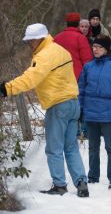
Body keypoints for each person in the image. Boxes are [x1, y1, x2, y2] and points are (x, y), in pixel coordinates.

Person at [0, 23, 89, 197]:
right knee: (71, 147)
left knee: (54, 148)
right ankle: (81, 183)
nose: (29, 44)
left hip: (58, 106)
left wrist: (6, 89)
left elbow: (30, 79)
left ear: (39, 38)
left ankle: (59, 185)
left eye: (30, 41)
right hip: (73, 103)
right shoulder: (61, 50)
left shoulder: (44, 56)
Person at [78, 35, 111, 189]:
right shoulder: (88, 67)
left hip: (108, 113)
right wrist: (80, 109)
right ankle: (93, 176)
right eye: (94, 47)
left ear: (106, 49)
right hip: (91, 112)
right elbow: (81, 89)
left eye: (99, 47)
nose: (95, 49)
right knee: (93, 147)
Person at [54, 13, 93, 81]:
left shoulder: (57, 38)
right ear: (78, 24)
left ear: (67, 23)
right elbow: (87, 60)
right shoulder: (81, 38)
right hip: (76, 76)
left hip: (58, 75)